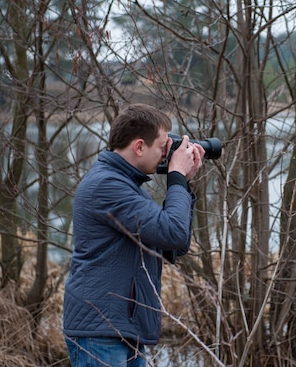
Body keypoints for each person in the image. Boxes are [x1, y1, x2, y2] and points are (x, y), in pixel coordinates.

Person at [63, 103, 205, 367]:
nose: (166, 154)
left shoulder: (127, 183)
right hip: (102, 330)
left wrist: (182, 183)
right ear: (139, 147)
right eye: (163, 147)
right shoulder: (108, 184)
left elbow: (174, 244)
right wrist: (176, 176)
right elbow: (172, 233)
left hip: (120, 327)